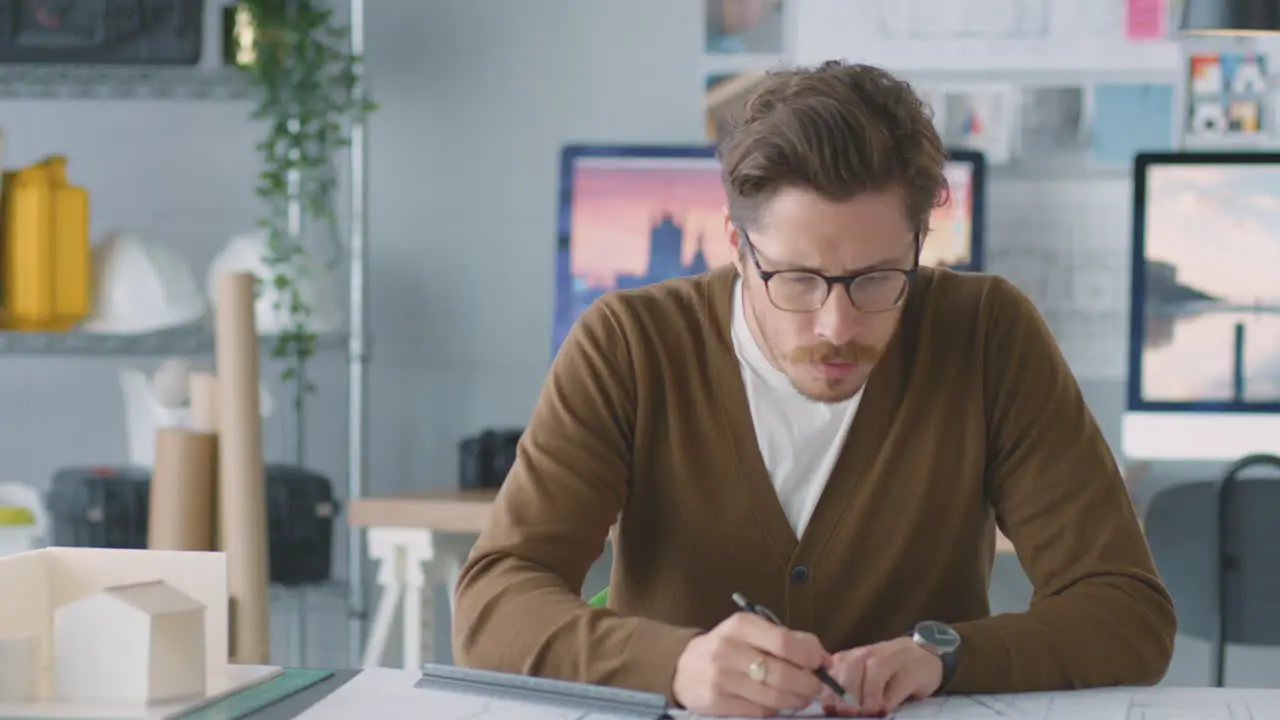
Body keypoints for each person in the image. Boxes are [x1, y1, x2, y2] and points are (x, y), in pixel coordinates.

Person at [452, 60, 1176, 718]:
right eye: (796, 278)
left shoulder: (988, 334)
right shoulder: (631, 343)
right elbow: (492, 603)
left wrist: (945, 656)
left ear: (921, 246)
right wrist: (676, 665)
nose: (838, 325)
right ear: (738, 248)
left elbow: (1126, 611)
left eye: (877, 279)